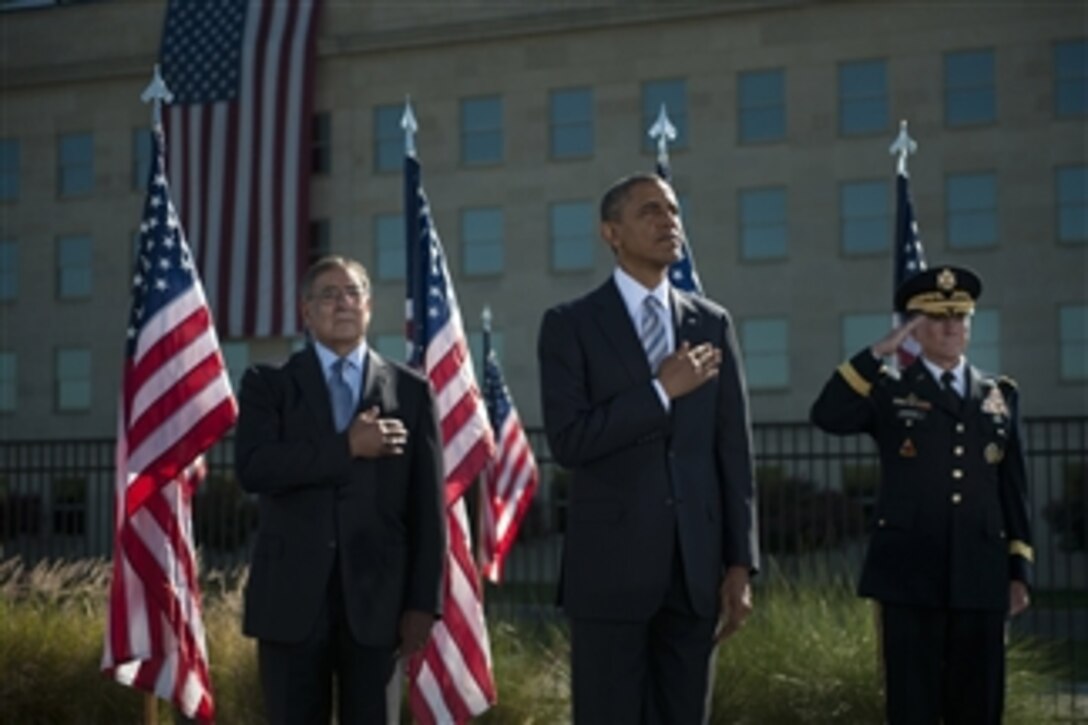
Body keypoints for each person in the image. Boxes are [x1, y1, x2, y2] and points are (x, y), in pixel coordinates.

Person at [537, 172, 759, 724]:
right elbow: (570, 441)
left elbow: (732, 453)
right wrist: (660, 391)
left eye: (674, 211)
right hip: (609, 576)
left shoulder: (711, 322)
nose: (668, 222)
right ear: (611, 232)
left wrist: (739, 564)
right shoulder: (570, 325)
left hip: (694, 574)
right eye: (650, 212)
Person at [810, 265, 1032, 724]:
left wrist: (1019, 571)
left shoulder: (999, 395)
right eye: (935, 318)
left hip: (980, 573)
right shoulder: (890, 389)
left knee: (979, 704)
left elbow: (1013, 489)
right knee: (913, 705)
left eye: (959, 317)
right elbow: (827, 414)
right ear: (913, 327)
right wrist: (878, 353)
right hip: (909, 574)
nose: (950, 327)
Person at [234, 255, 446, 724]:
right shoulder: (267, 384)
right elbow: (254, 468)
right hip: (290, 604)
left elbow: (428, 508)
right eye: (328, 295)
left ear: (369, 307)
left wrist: (423, 603)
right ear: (306, 313)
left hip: (379, 605)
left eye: (353, 293)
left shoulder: (410, 391)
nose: (343, 303)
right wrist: (347, 447)